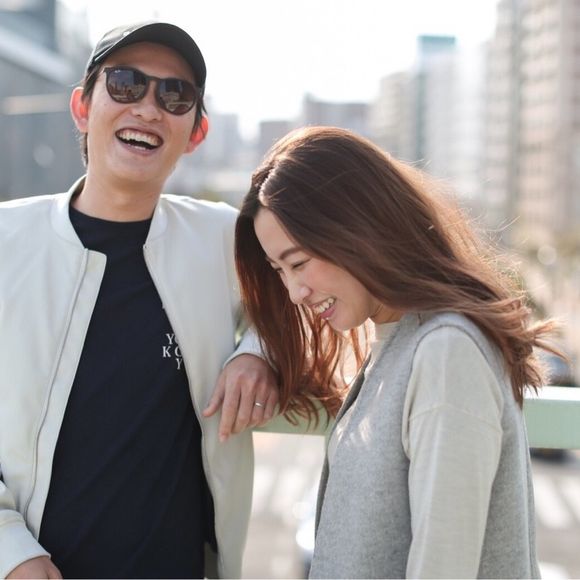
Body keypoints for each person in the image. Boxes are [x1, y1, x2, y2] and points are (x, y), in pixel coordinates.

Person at [0, 21, 278, 579]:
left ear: (196, 133)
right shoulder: (8, 240)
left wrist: (258, 352)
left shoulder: (223, 237)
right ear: (82, 108)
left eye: (175, 96)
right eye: (125, 84)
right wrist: (10, 550)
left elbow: (301, 304)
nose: (149, 109)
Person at [234, 125, 561, 578]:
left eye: (299, 263)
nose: (294, 292)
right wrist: (254, 351)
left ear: (357, 227)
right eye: (279, 271)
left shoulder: (446, 352)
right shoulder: (396, 341)